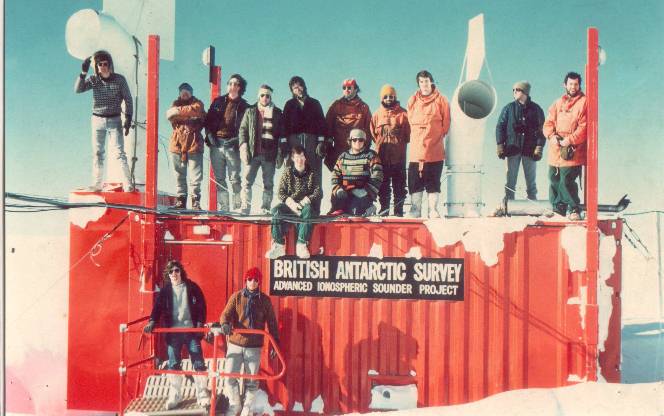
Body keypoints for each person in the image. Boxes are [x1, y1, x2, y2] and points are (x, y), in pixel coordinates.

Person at [143, 260, 209, 410]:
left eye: (177, 270)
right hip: (173, 332)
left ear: (181, 272)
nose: (174, 273)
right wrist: (152, 321)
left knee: (198, 361)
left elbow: (201, 306)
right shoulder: (165, 291)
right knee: (173, 363)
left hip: (191, 331)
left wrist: (199, 323)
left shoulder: (191, 287)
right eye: (171, 271)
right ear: (168, 274)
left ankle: (202, 393)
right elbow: (157, 308)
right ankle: (175, 395)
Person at [220, 267, 280, 416]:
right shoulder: (237, 297)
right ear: (245, 280)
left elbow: (272, 323)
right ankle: (236, 405)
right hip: (235, 343)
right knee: (229, 377)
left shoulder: (264, 300)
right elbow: (225, 315)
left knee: (252, 380)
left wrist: (275, 344)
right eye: (249, 279)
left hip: (254, 346)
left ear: (259, 282)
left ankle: (247, 407)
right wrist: (225, 324)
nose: (252, 282)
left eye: (255, 280)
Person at [75, 50, 134, 192]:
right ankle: (97, 184)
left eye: (105, 64)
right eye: (99, 64)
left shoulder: (119, 80)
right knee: (98, 153)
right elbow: (78, 89)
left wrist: (128, 118)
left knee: (120, 153)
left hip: (114, 119)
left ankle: (128, 184)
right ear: (96, 67)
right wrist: (83, 73)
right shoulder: (94, 79)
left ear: (110, 65)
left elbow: (128, 99)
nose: (103, 67)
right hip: (97, 120)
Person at [542, 72, 588, 220]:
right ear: (565, 85)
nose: (573, 87)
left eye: (575, 84)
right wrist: (551, 136)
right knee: (553, 178)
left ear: (579, 85)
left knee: (566, 180)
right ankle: (558, 209)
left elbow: (584, 127)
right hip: (556, 149)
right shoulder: (558, 103)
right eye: (570, 84)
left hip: (572, 150)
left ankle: (574, 208)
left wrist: (570, 140)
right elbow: (548, 123)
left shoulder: (584, 102)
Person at [406, 70, 450, 218]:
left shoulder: (441, 100)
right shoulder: (412, 100)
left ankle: (433, 209)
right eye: (421, 82)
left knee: (433, 182)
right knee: (415, 181)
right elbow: (410, 122)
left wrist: (433, 136)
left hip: (434, 150)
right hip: (416, 152)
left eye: (426, 81)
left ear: (431, 81)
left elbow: (446, 124)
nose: (424, 84)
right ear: (418, 84)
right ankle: (415, 209)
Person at [267, 145, 322, 259]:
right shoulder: (288, 172)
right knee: (276, 210)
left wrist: (305, 201)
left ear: (305, 158)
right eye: (297, 157)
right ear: (292, 158)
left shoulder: (312, 173)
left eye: (302, 156)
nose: (300, 159)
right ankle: (278, 245)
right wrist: (291, 203)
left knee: (308, 211)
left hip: (306, 207)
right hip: (291, 206)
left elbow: (318, 192)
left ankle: (301, 244)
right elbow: (280, 192)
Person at [494, 81, 546, 204]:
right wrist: (500, 144)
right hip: (513, 148)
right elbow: (500, 126)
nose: (514, 92)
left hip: (529, 149)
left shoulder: (536, 109)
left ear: (525, 92)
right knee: (510, 179)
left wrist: (539, 146)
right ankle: (508, 202)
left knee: (531, 180)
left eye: (517, 90)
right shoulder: (509, 108)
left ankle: (533, 203)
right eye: (513, 90)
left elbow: (542, 129)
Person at [239, 84, 285, 215]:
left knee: (268, 184)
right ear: (259, 96)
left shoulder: (277, 113)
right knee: (247, 181)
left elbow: (281, 134)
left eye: (268, 96)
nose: (265, 98)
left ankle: (265, 207)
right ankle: (245, 206)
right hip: (253, 154)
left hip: (269, 155)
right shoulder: (251, 111)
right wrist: (243, 146)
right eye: (262, 95)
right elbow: (243, 130)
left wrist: (280, 153)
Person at [205, 74, 249, 211]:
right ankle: (224, 206)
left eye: (236, 84)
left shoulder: (245, 106)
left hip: (232, 145)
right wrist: (209, 136)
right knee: (220, 178)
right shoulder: (218, 101)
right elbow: (208, 121)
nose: (233, 86)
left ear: (240, 87)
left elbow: (247, 129)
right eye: (230, 83)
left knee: (235, 178)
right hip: (217, 144)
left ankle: (237, 206)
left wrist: (236, 141)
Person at [370, 84, 410, 216]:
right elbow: (372, 134)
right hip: (382, 157)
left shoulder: (404, 114)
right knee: (383, 185)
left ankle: (399, 210)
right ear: (382, 98)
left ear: (395, 97)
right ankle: (384, 209)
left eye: (391, 96)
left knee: (399, 186)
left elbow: (408, 134)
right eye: (385, 96)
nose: (388, 99)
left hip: (398, 158)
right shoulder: (376, 115)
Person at [282, 76, 328, 188]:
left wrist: (321, 142)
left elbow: (321, 123)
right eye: (294, 88)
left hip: (311, 141)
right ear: (292, 90)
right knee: (293, 169)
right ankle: (293, 201)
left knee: (314, 170)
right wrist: (283, 143)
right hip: (294, 141)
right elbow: (283, 125)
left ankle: (314, 203)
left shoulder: (314, 103)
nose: (298, 89)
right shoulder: (289, 105)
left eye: (299, 86)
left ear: (304, 86)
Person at [166, 83, 206, 210]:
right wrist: (189, 114)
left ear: (191, 92)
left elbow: (198, 110)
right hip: (177, 144)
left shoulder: (198, 103)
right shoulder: (174, 103)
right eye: (182, 91)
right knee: (179, 175)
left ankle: (196, 202)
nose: (185, 93)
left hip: (194, 144)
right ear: (179, 93)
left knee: (196, 176)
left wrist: (179, 112)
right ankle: (181, 201)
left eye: (187, 91)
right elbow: (170, 116)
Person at [330, 129, 383, 216]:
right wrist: (338, 189)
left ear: (364, 141)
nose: (357, 142)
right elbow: (335, 175)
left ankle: (369, 207)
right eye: (354, 140)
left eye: (361, 140)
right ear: (350, 141)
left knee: (355, 212)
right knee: (338, 211)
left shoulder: (371, 155)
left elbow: (378, 175)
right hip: (345, 192)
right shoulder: (343, 157)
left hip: (362, 193)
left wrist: (366, 191)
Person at [323, 79, 372, 171]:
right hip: (338, 151)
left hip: (357, 152)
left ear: (356, 89)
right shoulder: (336, 105)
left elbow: (369, 130)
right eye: (344, 88)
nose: (346, 89)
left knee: (356, 179)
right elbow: (328, 125)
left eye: (349, 88)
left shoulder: (363, 107)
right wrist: (327, 143)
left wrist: (366, 148)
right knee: (338, 180)